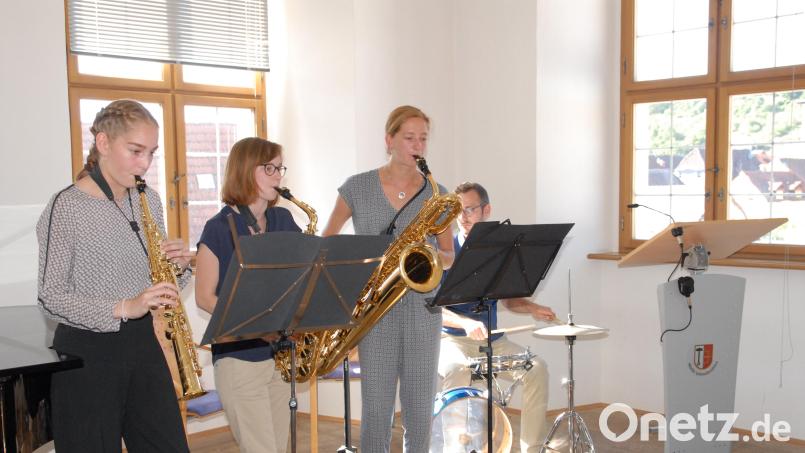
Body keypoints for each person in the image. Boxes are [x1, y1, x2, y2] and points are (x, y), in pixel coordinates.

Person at [36, 99, 192, 453]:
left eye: (151, 153)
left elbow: (160, 285)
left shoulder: (148, 200)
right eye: (135, 151)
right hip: (86, 353)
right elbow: (51, 297)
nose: (145, 164)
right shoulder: (66, 206)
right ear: (104, 143)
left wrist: (178, 268)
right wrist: (124, 306)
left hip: (141, 344)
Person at [322, 105, 455, 452]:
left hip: (423, 308)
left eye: (423, 138)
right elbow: (327, 243)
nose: (418, 145)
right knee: (377, 409)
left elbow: (449, 254)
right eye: (409, 137)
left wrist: (431, 259)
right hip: (376, 308)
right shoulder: (358, 187)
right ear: (389, 140)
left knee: (419, 407)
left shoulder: (436, 192)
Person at [195, 137, 300, 453]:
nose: (278, 176)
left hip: (279, 355)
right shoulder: (218, 227)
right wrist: (255, 325)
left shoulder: (283, 220)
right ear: (244, 170)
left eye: (280, 167)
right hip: (239, 357)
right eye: (269, 168)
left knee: (277, 449)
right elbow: (204, 297)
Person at [438, 181, 556, 453]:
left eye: (470, 209)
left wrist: (533, 308)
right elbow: (432, 309)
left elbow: (508, 299)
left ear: (486, 210)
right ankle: (453, 449)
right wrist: (465, 323)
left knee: (537, 369)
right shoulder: (443, 252)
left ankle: (532, 447)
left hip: (492, 341)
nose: (463, 217)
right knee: (458, 369)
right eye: (458, 211)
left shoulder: (499, 252)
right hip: (451, 340)